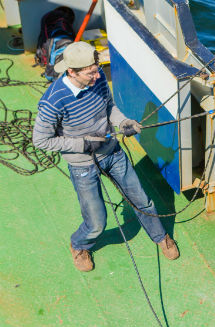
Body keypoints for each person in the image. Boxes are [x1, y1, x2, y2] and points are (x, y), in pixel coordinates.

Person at [33, 42, 179, 272]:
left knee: (142, 200)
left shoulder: (97, 77)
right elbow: (41, 140)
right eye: (90, 71)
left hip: (112, 152)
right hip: (82, 164)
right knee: (97, 222)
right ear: (71, 71)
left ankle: (161, 237)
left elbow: (109, 106)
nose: (97, 74)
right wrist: (82, 144)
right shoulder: (52, 101)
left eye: (96, 68)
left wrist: (123, 122)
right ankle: (79, 244)